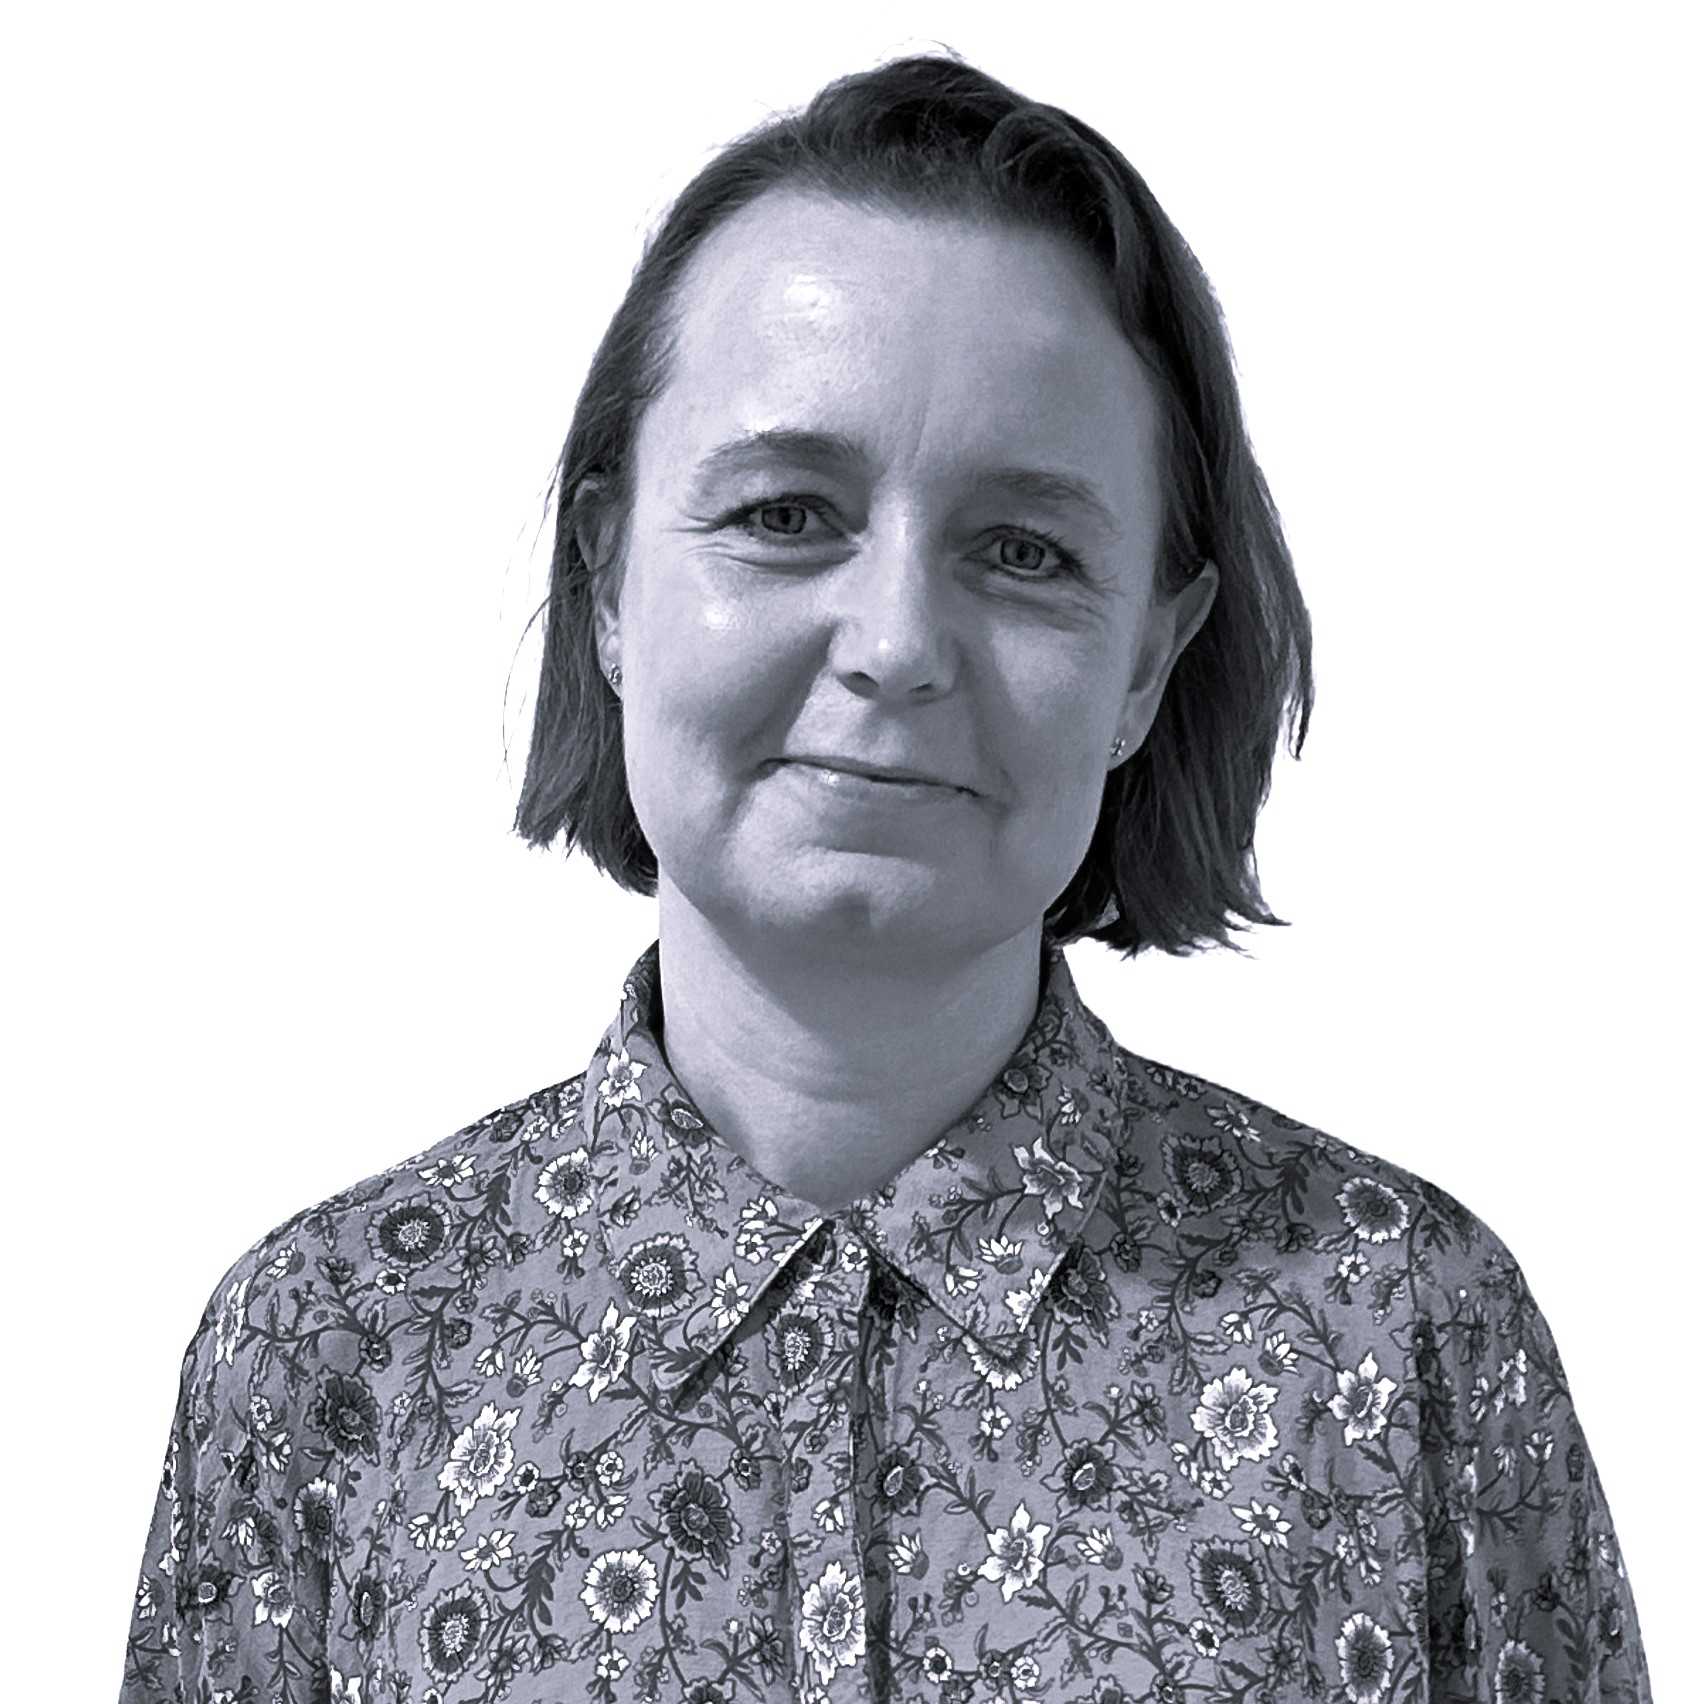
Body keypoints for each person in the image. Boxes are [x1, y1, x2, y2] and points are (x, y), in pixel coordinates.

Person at [116, 50, 1651, 1704]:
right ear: (610, 584)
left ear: (1148, 660)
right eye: (787, 514)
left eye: (1026, 552)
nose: (900, 642)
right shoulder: (329, 1350)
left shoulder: (1404, 1334)